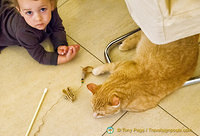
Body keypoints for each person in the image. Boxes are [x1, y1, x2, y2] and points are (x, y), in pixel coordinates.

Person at [0, 0, 80, 65]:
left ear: (52, 5)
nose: (38, 18)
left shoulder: (52, 10)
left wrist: (60, 44)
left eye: (42, 9)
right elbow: (40, 56)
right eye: (29, 12)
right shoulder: (23, 32)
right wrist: (63, 59)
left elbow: (57, 28)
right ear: (20, 11)